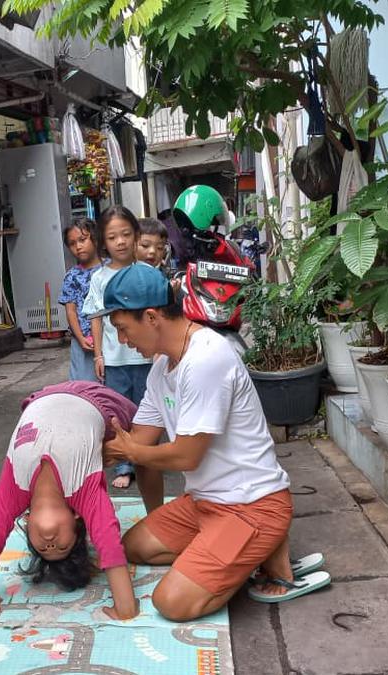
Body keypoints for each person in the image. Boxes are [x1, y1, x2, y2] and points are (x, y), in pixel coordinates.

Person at [95, 264, 330, 622]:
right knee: (134, 546)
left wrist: (131, 451)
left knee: (171, 602)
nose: (123, 341)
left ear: (151, 317)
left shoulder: (206, 357)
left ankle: (269, 559)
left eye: (123, 330)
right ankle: (244, 553)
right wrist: (95, 447)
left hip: (251, 505)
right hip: (204, 503)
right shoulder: (162, 370)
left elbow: (186, 455)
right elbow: (138, 441)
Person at [0, 381, 140, 622]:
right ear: (77, 516)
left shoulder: (14, 488)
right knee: (145, 440)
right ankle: (157, 509)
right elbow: (109, 543)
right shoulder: (84, 493)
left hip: (43, 398)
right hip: (98, 401)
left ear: (27, 521)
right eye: (62, 546)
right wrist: (125, 608)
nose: (50, 543)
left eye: (44, 549)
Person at [81, 207, 157, 496]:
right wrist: (99, 355)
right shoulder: (99, 278)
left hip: (147, 356)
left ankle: (148, 456)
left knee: (149, 408)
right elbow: (96, 317)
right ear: (104, 242)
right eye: (113, 237)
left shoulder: (147, 273)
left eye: (126, 234)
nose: (121, 242)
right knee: (118, 412)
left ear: (136, 236)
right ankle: (125, 464)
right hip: (115, 359)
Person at [59, 218, 103, 382]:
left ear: (95, 238)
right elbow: (70, 310)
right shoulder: (71, 276)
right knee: (85, 384)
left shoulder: (110, 268)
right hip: (84, 339)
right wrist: (80, 337)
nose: (78, 246)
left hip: (109, 336)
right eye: (72, 243)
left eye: (82, 240)